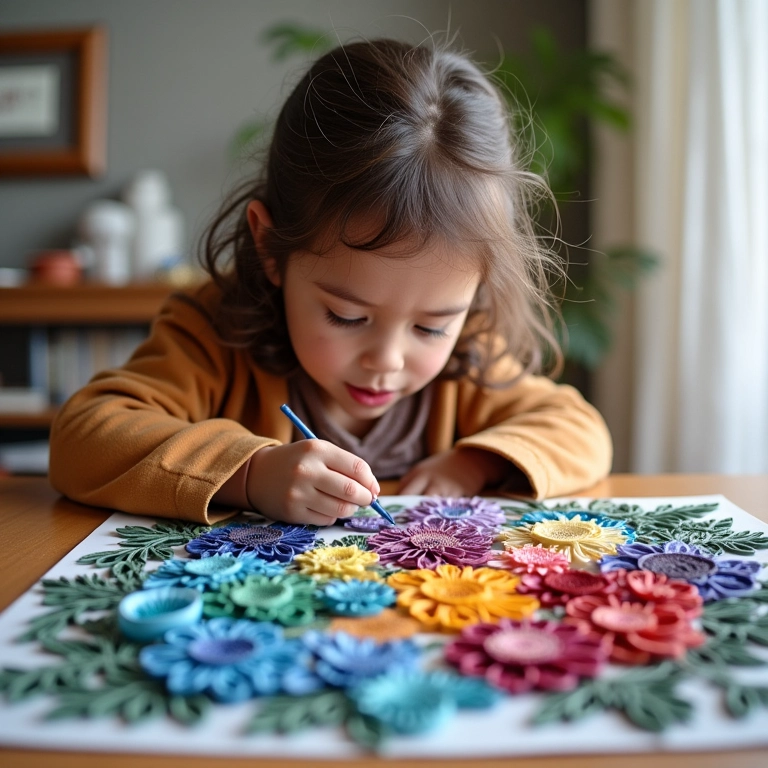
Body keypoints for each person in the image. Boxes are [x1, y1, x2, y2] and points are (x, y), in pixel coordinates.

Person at [49, 38, 612, 526]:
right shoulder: (213, 331)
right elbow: (84, 438)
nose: (387, 360)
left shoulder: (470, 353)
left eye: (430, 326)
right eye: (347, 316)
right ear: (271, 247)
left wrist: (477, 462)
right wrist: (249, 472)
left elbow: (581, 431)